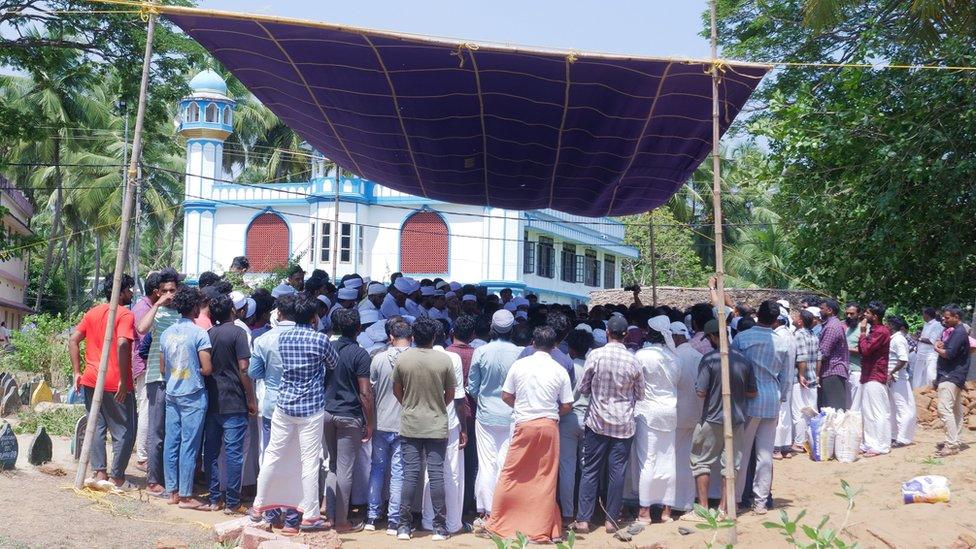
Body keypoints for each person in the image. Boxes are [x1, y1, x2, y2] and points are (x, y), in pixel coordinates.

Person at [251, 293, 339, 532]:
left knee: (272, 455)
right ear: (314, 317)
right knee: (309, 462)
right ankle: (310, 516)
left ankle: (259, 506)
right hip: (311, 408)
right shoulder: (320, 340)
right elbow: (333, 364)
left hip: (284, 404)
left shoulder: (283, 338)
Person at [483, 325, 573, 542]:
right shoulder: (559, 369)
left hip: (524, 424)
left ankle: (497, 522)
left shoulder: (520, 365)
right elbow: (568, 404)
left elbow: (506, 395)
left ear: (532, 343)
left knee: (511, 474)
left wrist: (522, 407)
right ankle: (544, 528)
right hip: (549, 426)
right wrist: (551, 414)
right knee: (545, 478)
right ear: (554, 346)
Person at [570, 315, 643, 534]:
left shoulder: (595, 355)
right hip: (623, 424)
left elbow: (583, 387)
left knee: (590, 470)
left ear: (607, 332)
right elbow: (640, 394)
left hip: (597, 421)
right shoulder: (633, 360)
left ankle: (583, 520)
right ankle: (611, 520)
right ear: (626, 335)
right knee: (616, 473)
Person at [68, 272, 137, 489]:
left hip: (90, 379)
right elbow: (123, 344)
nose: (132, 293)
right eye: (129, 289)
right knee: (124, 430)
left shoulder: (93, 312)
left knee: (96, 426)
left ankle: (100, 474)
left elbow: (73, 339)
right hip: (115, 382)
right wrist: (125, 380)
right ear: (121, 291)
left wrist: (76, 372)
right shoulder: (124, 314)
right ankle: (117, 478)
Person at [391, 318, 456, 541]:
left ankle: (403, 526)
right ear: (434, 337)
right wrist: (436, 407)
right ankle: (439, 526)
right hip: (436, 424)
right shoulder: (444, 360)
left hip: (410, 423)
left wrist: (409, 405)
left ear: (413, 336)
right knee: (437, 475)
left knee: (410, 474)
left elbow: (396, 390)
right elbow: (450, 394)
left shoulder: (403, 359)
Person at [691, 319, 757, 515]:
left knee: (701, 461)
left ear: (713, 336)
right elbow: (752, 392)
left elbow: (701, 392)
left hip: (712, 418)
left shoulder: (710, 359)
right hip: (736, 419)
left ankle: (703, 509)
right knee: (730, 465)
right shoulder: (744, 360)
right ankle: (723, 508)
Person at [248, 293, 302, 530]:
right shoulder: (308, 339)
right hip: (299, 407)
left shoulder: (263, 340)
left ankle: (270, 514)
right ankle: (292, 518)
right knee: (296, 461)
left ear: (278, 313)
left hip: (272, 405)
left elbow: (254, 372)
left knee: (271, 458)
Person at [732, 300, 791, 515]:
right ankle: (760, 501)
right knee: (765, 454)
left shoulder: (742, 338)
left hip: (749, 399)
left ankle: (736, 499)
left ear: (758, 316)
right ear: (776, 320)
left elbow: (733, 368)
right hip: (771, 398)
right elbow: (785, 376)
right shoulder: (782, 342)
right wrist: (782, 397)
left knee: (743, 451)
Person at [158, 286, 212, 508]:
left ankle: (172, 492)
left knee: (172, 442)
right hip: (193, 394)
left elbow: (163, 367)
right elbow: (207, 368)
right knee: (189, 445)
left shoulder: (166, 332)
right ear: (194, 307)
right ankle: (187, 495)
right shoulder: (199, 333)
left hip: (172, 392)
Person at [322, 307, 374, 533]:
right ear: (359, 329)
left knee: (333, 465)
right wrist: (370, 422)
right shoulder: (360, 354)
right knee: (345, 469)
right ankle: (342, 521)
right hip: (349, 415)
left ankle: (331, 516)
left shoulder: (328, 347)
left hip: (327, 412)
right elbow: (365, 392)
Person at [203, 294, 256, 513]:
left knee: (212, 451)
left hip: (213, 399)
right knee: (234, 453)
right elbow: (244, 368)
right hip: (234, 400)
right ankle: (233, 502)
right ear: (232, 311)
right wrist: (251, 397)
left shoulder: (208, 334)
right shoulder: (238, 333)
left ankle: (215, 499)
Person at [467, 309, 522, 518]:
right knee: (505, 462)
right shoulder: (519, 352)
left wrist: (482, 400)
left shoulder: (481, 351)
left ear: (492, 328)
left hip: (485, 414)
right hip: (510, 414)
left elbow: (472, 386)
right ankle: (502, 508)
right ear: (512, 329)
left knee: (486, 463)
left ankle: (486, 509)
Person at [135, 268, 181, 496]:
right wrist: (157, 304)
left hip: (179, 380)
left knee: (173, 432)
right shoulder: (157, 314)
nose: (170, 294)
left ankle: (167, 478)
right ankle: (153, 481)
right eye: (165, 291)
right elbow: (141, 328)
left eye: (173, 290)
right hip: (157, 378)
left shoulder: (182, 315)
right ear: (158, 292)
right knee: (157, 431)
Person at [633, 315, 680, 523]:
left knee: (648, 460)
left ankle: (644, 511)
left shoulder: (642, 355)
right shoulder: (674, 357)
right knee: (668, 459)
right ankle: (666, 511)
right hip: (670, 411)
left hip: (647, 411)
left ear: (648, 333)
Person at [366, 318, 411, 534]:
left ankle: (372, 516)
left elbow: (371, 390)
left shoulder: (378, 359)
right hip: (404, 424)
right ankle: (394, 520)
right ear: (410, 338)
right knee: (398, 472)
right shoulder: (414, 359)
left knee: (377, 469)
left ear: (391, 338)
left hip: (381, 422)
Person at [425, 323, 468, 535]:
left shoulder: (417, 356)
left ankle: (427, 519)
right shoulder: (453, 358)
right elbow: (459, 397)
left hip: (423, 422)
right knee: (451, 473)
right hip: (449, 421)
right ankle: (452, 523)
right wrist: (464, 427)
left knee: (428, 472)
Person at [446, 315, 479, 515]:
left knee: (449, 463)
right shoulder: (477, 354)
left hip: (449, 412)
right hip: (472, 412)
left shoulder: (445, 354)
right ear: (473, 335)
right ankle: (467, 504)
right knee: (470, 462)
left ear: (452, 333)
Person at [559, 328, 592, 523]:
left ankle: (567, 513)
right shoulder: (591, 365)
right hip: (588, 418)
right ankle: (585, 512)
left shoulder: (567, 366)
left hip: (568, 418)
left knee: (567, 468)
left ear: (570, 348)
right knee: (587, 468)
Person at [671, 320, 703, 515]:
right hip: (697, 414)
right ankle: (688, 500)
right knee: (692, 459)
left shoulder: (675, 357)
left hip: (678, 415)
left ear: (675, 337)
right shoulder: (699, 356)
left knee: (676, 459)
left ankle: (677, 502)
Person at [130, 272, 159, 474]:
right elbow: (144, 339)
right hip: (144, 365)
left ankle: (143, 453)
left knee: (147, 408)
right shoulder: (143, 309)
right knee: (146, 409)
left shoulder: (145, 307)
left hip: (147, 364)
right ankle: (142, 457)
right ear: (157, 292)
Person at [855, 301, 892, 456]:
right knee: (868, 412)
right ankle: (870, 443)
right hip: (868, 375)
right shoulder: (875, 330)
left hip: (875, 376)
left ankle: (881, 445)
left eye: (868, 313)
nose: (865, 315)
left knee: (878, 412)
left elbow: (865, 349)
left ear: (875, 316)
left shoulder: (881, 331)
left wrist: (862, 332)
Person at [933, 305, 970, 457]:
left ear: (956, 317)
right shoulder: (956, 332)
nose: (944, 319)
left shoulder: (959, 332)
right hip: (955, 375)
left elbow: (949, 354)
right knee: (955, 410)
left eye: (947, 317)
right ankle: (955, 439)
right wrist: (940, 343)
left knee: (944, 409)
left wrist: (936, 348)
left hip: (950, 375)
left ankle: (952, 444)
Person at [790, 310, 820, 453]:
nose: (794, 318)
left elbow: (801, 357)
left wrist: (801, 375)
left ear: (800, 321)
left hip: (801, 381)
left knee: (799, 413)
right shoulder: (814, 335)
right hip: (813, 379)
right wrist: (817, 375)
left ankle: (799, 443)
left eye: (796, 317)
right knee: (811, 412)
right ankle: (810, 441)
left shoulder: (798, 335)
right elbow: (819, 358)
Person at [886, 315, 916, 447]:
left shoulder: (898, 339)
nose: (886, 326)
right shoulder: (894, 339)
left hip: (897, 377)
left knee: (902, 407)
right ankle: (896, 435)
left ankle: (902, 437)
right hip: (894, 377)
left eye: (888, 324)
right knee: (894, 407)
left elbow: (903, 360)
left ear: (892, 326)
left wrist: (891, 372)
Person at [772, 312, 797, 459]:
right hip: (788, 380)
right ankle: (786, 447)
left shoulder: (778, 337)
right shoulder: (790, 335)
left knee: (780, 414)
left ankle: (777, 448)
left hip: (780, 380)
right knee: (786, 413)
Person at [817, 299, 850, 411]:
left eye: (822, 308)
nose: (820, 311)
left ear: (829, 310)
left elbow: (823, 353)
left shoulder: (831, 327)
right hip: (832, 372)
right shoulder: (832, 324)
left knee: (833, 410)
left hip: (832, 371)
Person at [915, 307, 944, 389]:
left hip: (930, 355)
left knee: (930, 374)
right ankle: (918, 392)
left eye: (923, 314)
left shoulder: (937, 325)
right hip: (921, 354)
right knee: (918, 375)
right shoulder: (926, 324)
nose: (922, 316)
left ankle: (930, 392)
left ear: (927, 315)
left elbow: (931, 341)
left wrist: (919, 339)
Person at [844, 303, 865, 408]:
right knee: (848, 403)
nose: (848, 316)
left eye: (852, 314)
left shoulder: (864, 329)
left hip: (858, 370)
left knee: (856, 404)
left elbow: (865, 349)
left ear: (859, 314)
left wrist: (846, 349)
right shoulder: (848, 329)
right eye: (847, 313)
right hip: (847, 370)